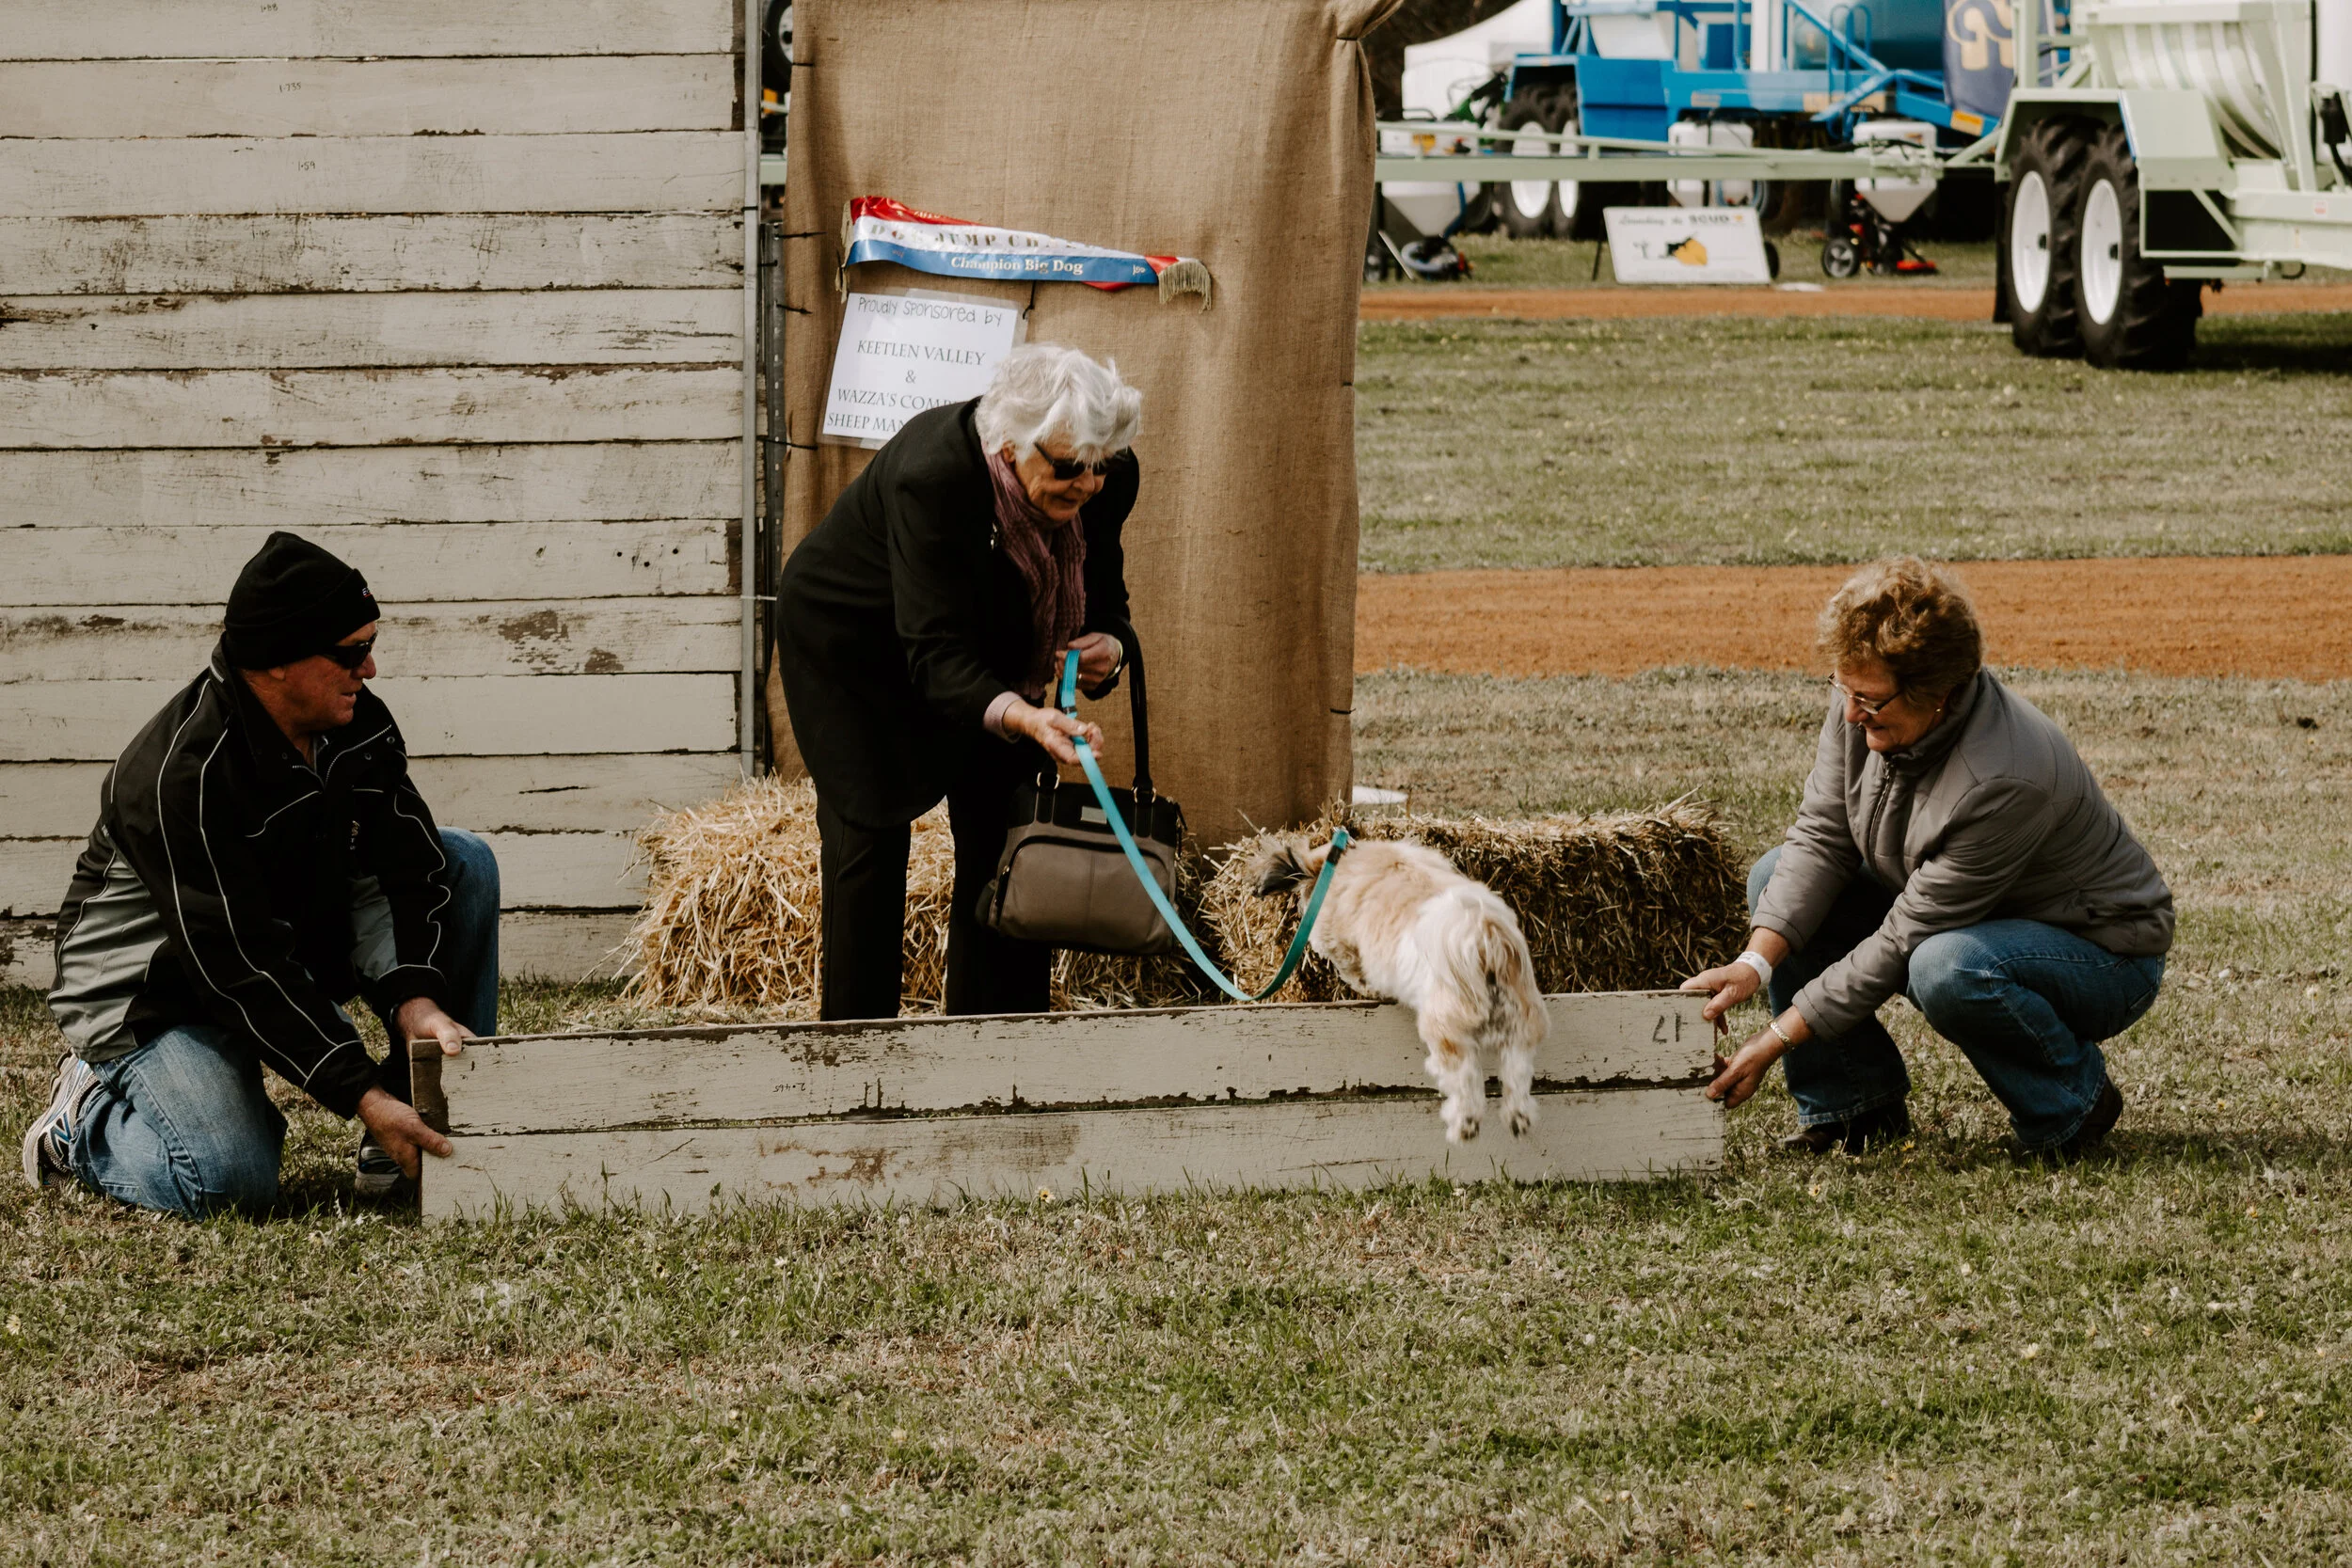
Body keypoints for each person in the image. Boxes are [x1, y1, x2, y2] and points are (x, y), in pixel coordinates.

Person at [21, 531, 499, 1213]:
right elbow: (236, 961)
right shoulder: (177, 776)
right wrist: (362, 1093)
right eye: (352, 652)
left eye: (370, 644)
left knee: (466, 863)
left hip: (275, 927)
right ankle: (81, 1122)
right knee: (229, 1180)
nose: (370, 670)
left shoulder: (356, 723)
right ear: (277, 661)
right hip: (153, 993)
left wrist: (412, 997)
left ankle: (426, 1121)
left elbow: (407, 861)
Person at [1683, 558, 2173, 1160]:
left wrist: (1777, 1036)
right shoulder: (1867, 704)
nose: (1848, 713)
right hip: (1972, 920)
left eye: (1868, 699)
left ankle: (2072, 1105)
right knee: (1774, 874)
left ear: (1936, 692)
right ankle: (1854, 1110)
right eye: (1844, 688)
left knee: (1946, 966)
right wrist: (1755, 964)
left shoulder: (2006, 776)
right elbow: (1820, 837)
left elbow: (1903, 940)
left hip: (2100, 954)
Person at [777, 343, 1142, 1018]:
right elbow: (935, 653)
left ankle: (996, 1045)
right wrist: (1025, 716)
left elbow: (1103, 590)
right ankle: (859, 1060)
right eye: (1069, 468)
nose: (1088, 482)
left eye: (1100, 464)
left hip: (989, 638)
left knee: (1010, 840)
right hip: (860, 650)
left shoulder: (1103, 473)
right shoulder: (934, 476)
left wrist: (1111, 644)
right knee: (872, 841)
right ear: (1009, 447)